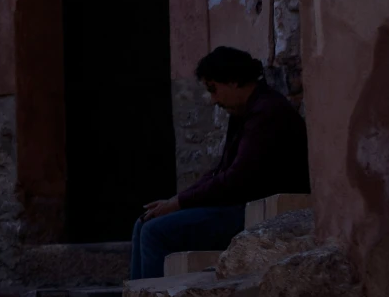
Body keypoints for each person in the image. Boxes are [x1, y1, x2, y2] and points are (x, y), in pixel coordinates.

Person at [129, 46, 309, 280]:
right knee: (142, 224)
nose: (213, 100)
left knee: (154, 232)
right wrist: (174, 202)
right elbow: (220, 171)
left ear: (233, 81)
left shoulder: (267, 113)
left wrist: (180, 203)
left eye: (214, 89)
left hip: (257, 214)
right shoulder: (244, 113)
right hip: (238, 206)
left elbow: (235, 180)